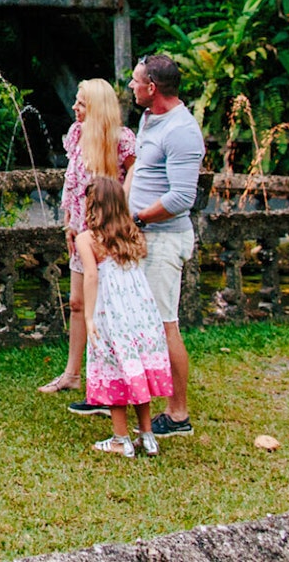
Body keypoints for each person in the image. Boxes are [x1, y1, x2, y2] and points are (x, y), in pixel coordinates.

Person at [124, 54, 205, 438]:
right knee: (141, 322)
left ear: (152, 88)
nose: (130, 87)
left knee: (164, 323)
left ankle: (177, 414)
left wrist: (138, 218)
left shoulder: (181, 131)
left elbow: (181, 198)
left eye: (135, 82)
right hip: (139, 235)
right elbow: (140, 170)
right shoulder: (148, 118)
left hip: (164, 239)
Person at [40, 79, 136, 396]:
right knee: (77, 302)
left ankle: (111, 373)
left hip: (108, 234)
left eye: (81, 103)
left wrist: (118, 217)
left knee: (107, 306)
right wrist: (68, 222)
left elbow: (131, 179)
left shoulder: (121, 140)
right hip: (81, 231)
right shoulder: (77, 136)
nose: (75, 108)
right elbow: (72, 182)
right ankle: (72, 373)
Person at [75, 176, 174, 458]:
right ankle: (147, 435)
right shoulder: (132, 234)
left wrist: (90, 317)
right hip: (140, 314)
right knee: (137, 368)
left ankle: (121, 438)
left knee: (113, 369)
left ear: (95, 205)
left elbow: (92, 277)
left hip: (111, 314)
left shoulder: (87, 239)